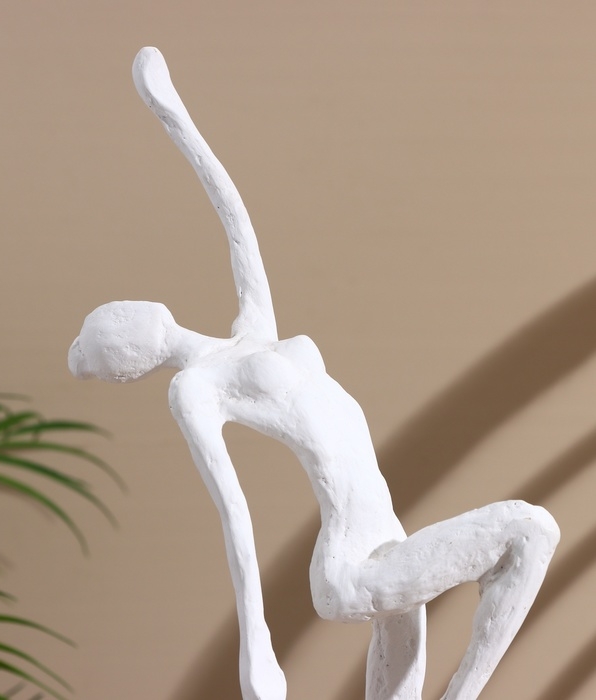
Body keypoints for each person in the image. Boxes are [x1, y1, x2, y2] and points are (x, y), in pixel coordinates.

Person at [68, 47, 560, 700]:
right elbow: (234, 513)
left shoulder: (252, 328)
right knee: (530, 529)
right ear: (132, 360)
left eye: (122, 315)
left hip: (388, 540)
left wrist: (172, 112)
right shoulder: (196, 389)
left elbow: (232, 211)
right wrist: (257, 647)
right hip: (351, 568)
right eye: (121, 333)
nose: (135, 318)